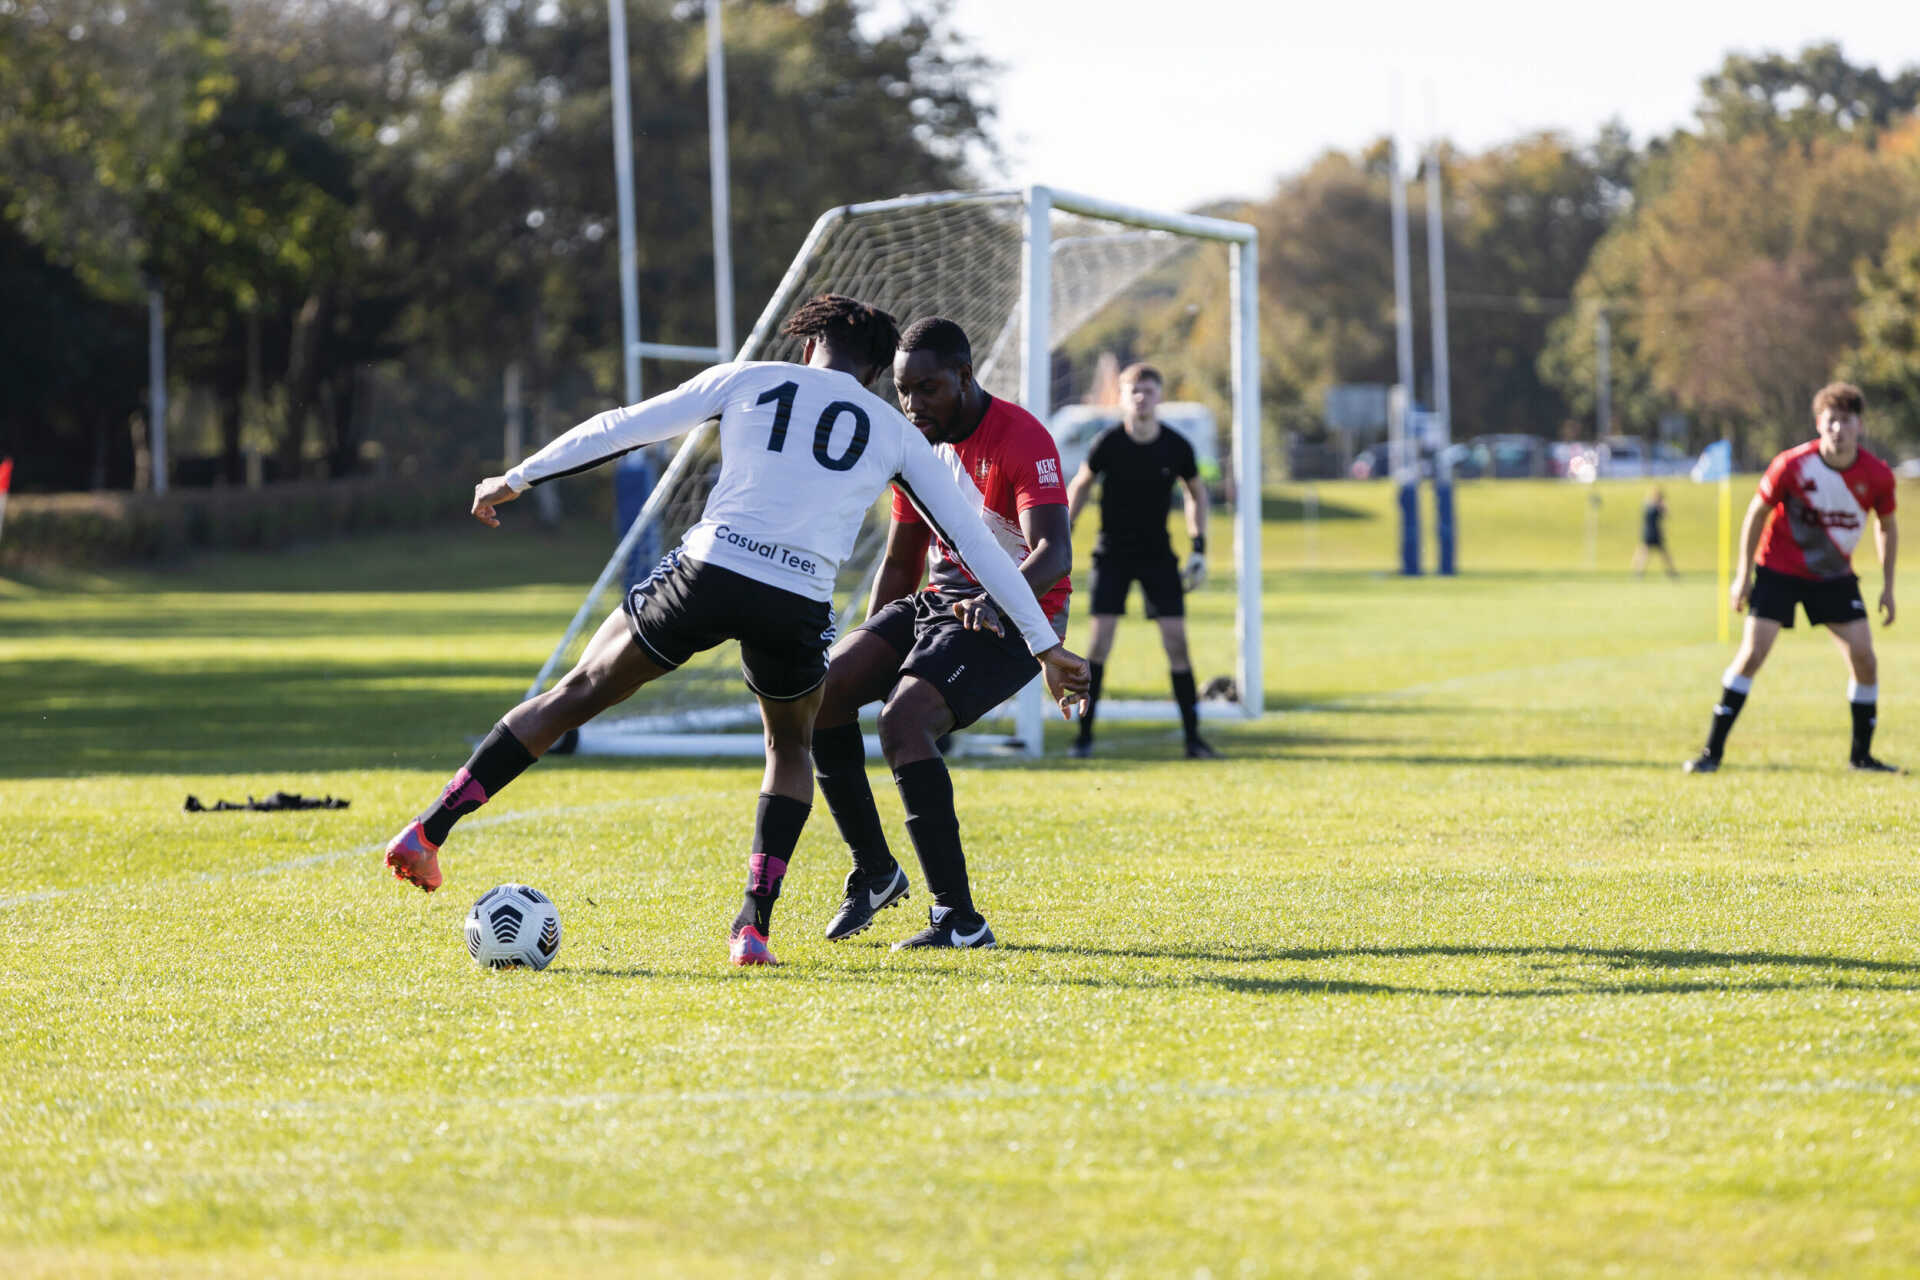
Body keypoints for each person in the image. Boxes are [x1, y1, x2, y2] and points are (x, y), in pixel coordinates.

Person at [381, 296, 1090, 968]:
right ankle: (752, 924)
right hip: (797, 602)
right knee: (789, 745)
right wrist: (1046, 645)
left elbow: (622, 426)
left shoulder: (748, 377)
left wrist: (519, 476)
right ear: (875, 374)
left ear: (811, 344)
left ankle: (430, 830)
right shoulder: (896, 432)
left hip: (710, 570)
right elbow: (976, 547)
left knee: (581, 688)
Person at [809, 317, 1075, 949]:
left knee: (903, 724)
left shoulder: (1021, 437)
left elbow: (1055, 552)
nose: (912, 404)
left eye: (926, 389)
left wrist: (994, 598)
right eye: (903, 390)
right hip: (938, 605)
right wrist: (873, 639)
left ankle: (959, 919)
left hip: (1016, 618)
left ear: (964, 375)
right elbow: (902, 559)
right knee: (820, 693)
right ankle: (876, 872)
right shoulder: (914, 442)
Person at [1685, 382, 1898, 775]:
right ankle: (1710, 754)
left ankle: (1861, 758)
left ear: (1859, 426)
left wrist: (1887, 585)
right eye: (1831, 421)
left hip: (1833, 576)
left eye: (1846, 422)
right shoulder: (1792, 464)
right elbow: (1755, 515)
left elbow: (1886, 527)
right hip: (1778, 571)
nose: (1838, 429)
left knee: (1865, 657)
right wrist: (1742, 576)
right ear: (1819, 424)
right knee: (1753, 653)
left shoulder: (1877, 475)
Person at [1063, 362, 1216, 759]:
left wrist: (1199, 547)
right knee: (1099, 645)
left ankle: (1192, 740)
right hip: (1111, 554)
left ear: (1159, 395)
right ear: (1124, 398)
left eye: (1148, 390)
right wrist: (1063, 529)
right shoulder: (1108, 443)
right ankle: (1083, 738)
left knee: (1176, 643)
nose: (1141, 398)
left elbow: (1196, 493)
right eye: (1134, 391)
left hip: (1158, 556)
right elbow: (1081, 483)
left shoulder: (1176, 446)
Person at [1633, 486, 1678, 578]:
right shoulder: (1652, 505)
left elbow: (1666, 515)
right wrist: (1661, 506)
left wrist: (1662, 506)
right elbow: (1664, 513)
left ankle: (1671, 572)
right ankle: (1639, 572)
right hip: (1650, 533)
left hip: (1655, 533)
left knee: (1663, 554)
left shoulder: (1653, 505)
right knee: (1645, 553)